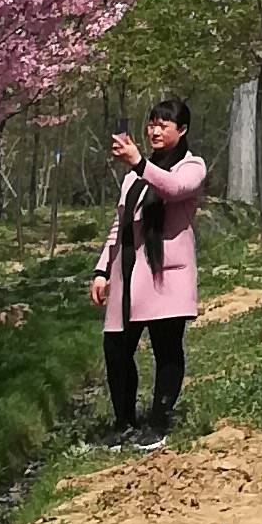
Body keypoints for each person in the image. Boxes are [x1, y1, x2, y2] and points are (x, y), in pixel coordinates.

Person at [91, 99, 207, 443]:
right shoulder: (134, 177)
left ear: (181, 130)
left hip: (164, 276)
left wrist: (139, 162)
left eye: (164, 125)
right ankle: (123, 421)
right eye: (152, 123)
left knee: (166, 349)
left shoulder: (192, 167)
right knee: (116, 349)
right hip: (127, 273)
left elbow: (173, 189)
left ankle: (159, 422)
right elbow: (121, 222)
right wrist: (102, 270)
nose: (155, 130)